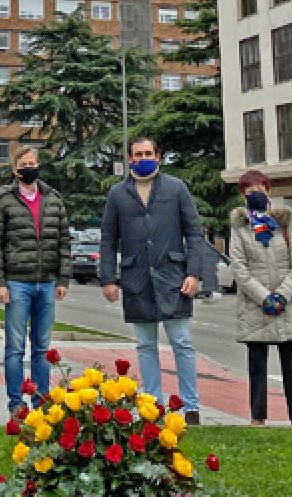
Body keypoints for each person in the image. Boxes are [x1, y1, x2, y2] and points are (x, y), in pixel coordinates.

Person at [99, 136, 206, 425]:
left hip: (174, 277)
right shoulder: (118, 193)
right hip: (136, 279)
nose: (143, 158)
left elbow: (194, 233)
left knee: (181, 342)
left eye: (148, 153)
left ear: (158, 156)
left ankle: (191, 407)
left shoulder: (176, 188)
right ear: (130, 158)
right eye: (137, 154)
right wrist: (108, 278)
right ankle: (152, 407)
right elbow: (108, 238)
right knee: (146, 345)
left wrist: (194, 273)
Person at [0, 145, 73, 415]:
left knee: (42, 347)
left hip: (47, 282)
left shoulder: (53, 199)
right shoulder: (3, 201)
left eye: (32, 163)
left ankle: (41, 402)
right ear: (15, 169)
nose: (29, 167)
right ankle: (16, 404)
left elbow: (63, 241)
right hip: (16, 283)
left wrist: (63, 279)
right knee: (15, 347)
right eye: (23, 164)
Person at [229, 169, 292, 426]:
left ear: (269, 191)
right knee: (257, 365)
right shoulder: (240, 228)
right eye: (250, 192)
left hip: (288, 306)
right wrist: (264, 298)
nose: (256, 196)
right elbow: (240, 270)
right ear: (243, 195)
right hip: (257, 307)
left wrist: (282, 296)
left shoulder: (285, 223)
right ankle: (258, 418)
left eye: (260, 191)